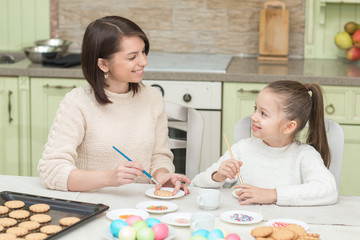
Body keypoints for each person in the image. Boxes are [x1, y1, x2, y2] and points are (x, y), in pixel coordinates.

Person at [38, 16, 190, 194]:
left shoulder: (152, 98)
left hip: (142, 205)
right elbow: (52, 171)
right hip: (94, 205)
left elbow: (159, 156)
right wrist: (110, 178)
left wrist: (163, 175)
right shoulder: (77, 103)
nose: (143, 62)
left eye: (143, 52)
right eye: (132, 57)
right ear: (103, 64)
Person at [191, 80, 338, 206]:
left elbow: (329, 190)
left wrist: (272, 195)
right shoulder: (242, 149)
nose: (253, 117)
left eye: (263, 113)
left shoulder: (305, 155)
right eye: (255, 109)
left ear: (288, 127)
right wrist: (217, 176)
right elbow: (196, 185)